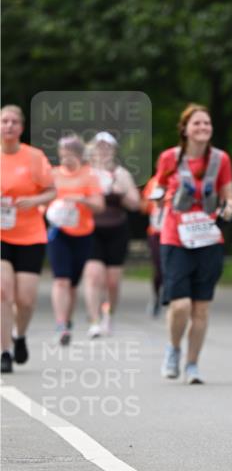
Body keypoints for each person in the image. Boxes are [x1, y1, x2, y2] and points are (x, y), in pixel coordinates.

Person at [154, 103, 232, 384]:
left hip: (208, 237)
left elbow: (229, 195)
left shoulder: (220, 159)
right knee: (180, 305)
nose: (202, 128)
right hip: (176, 237)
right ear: (185, 129)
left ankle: (192, 365)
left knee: (201, 307)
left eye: (207, 124)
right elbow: (159, 188)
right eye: (197, 123)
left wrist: (228, 209)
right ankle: (173, 348)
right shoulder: (169, 158)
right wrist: (161, 200)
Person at [0, 104, 55, 373]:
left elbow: (51, 191)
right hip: (1, 236)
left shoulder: (34, 157)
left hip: (31, 235)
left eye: (13, 122)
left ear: (21, 128)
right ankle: (5, 350)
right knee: (2, 292)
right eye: (3, 121)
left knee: (26, 299)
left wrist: (33, 200)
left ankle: (20, 336)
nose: (8, 126)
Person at [47, 135, 104, 345]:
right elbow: (44, 200)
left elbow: (99, 205)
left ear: (80, 156)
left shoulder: (89, 176)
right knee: (60, 280)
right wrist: (51, 209)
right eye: (62, 156)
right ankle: (61, 324)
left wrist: (81, 200)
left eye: (70, 156)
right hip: (59, 232)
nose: (65, 160)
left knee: (71, 284)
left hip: (83, 234)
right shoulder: (52, 175)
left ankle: (67, 321)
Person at [84, 132, 141, 338]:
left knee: (113, 281)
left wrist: (120, 191)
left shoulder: (122, 174)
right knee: (93, 276)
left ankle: (109, 314)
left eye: (107, 147)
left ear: (113, 150)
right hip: (91, 229)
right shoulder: (86, 173)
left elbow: (136, 204)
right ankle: (94, 320)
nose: (103, 151)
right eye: (99, 147)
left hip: (117, 230)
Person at [140, 172, 166, 315]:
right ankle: (157, 296)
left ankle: (173, 297)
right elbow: (143, 207)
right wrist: (154, 201)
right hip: (156, 232)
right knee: (159, 267)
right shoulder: (153, 182)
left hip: (176, 232)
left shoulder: (180, 179)